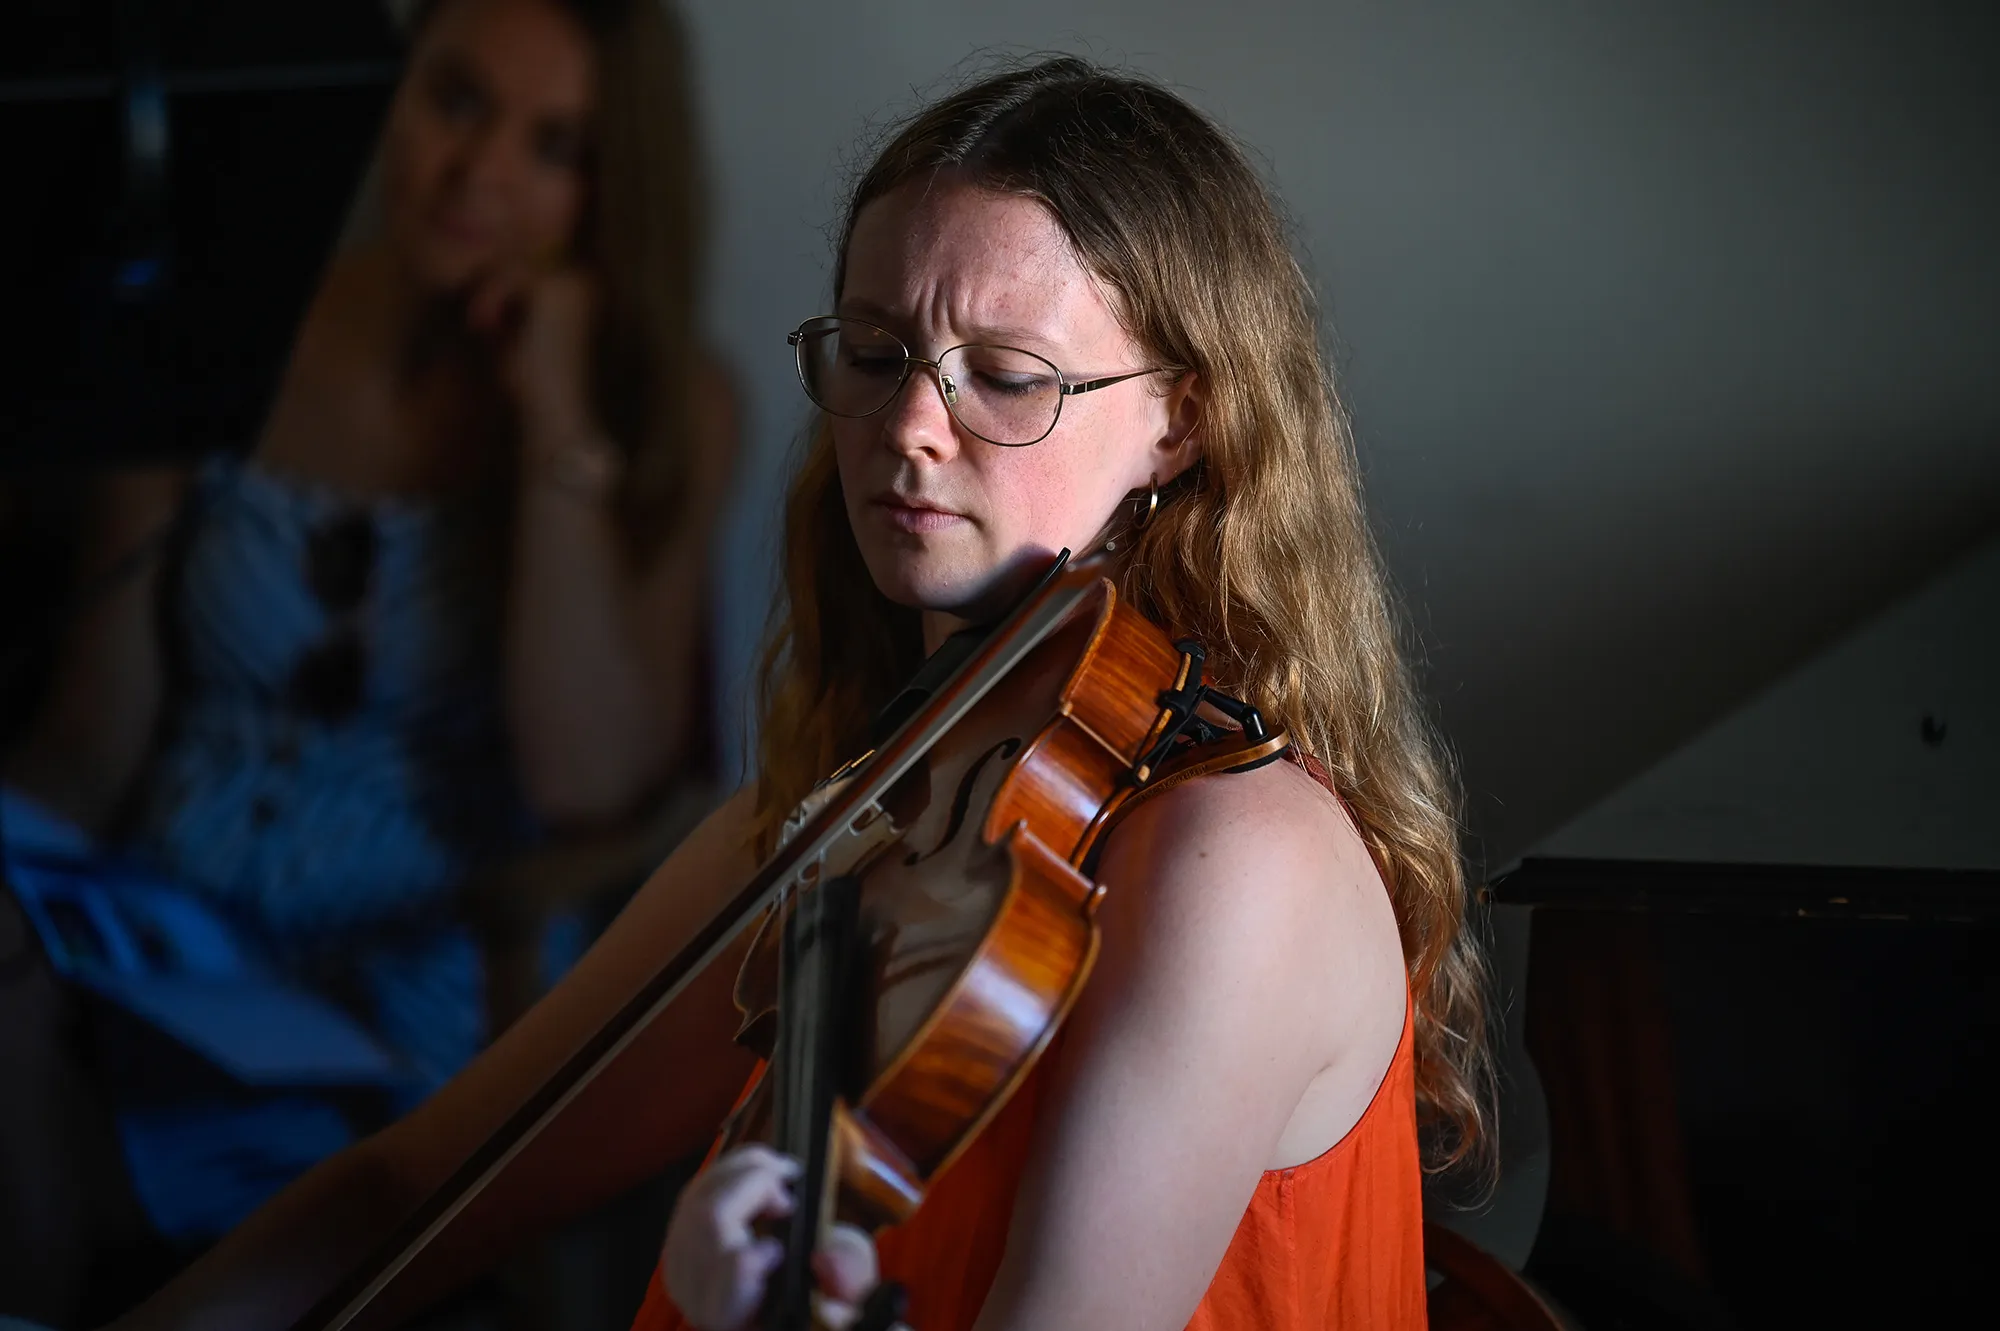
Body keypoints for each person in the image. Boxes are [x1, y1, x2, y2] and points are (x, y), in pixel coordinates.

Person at [101, 55, 1488, 1331]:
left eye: (1005, 377)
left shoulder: (1232, 857)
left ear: (1180, 417)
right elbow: (415, 1186)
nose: (908, 427)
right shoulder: (878, 795)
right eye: (875, 356)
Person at [0, 0, 730, 1313]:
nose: (477, 174)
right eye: (454, 100)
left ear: (614, 182)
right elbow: (95, 733)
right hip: (164, 913)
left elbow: (587, 778)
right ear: (389, 93)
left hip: (424, 956)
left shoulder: (664, 404)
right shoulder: (225, 316)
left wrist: (553, 407)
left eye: (552, 145)